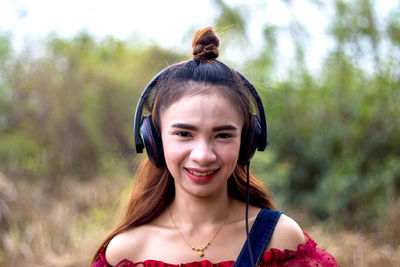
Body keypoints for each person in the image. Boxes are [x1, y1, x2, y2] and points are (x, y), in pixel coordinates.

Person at [90, 26, 339, 267]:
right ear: (154, 140)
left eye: (222, 136)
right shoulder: (126, 253)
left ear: (248, 141)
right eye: (184, 133)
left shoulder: (280, 239)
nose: (203, 156)